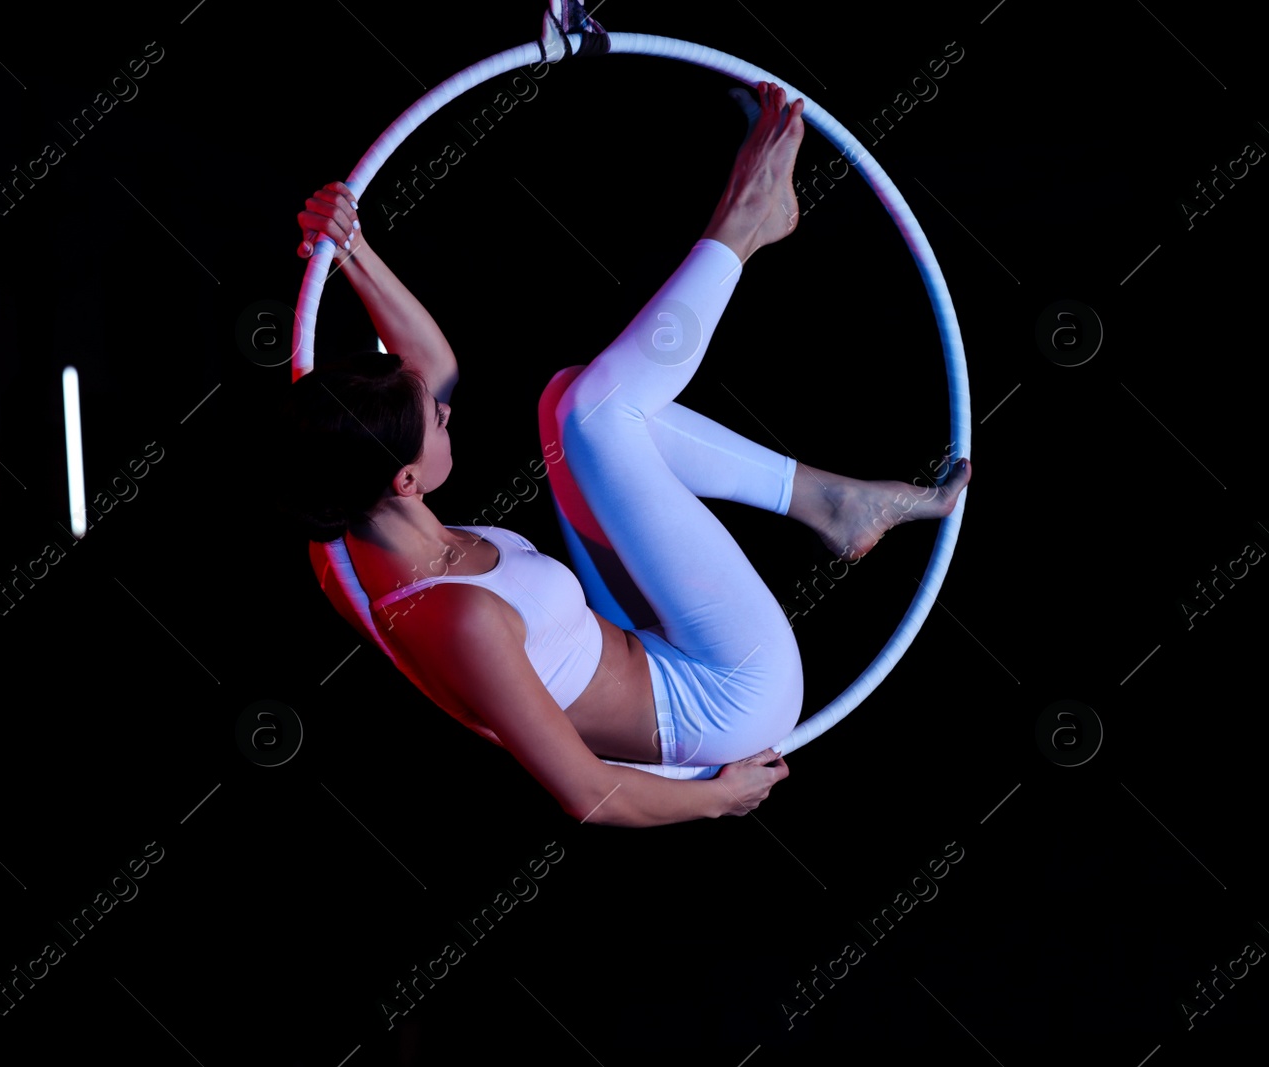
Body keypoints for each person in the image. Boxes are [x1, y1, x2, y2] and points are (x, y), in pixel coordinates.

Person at [282, 83, 970, 828]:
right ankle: (743, 222)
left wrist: (350, 249)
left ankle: (828, 500)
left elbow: (424, 367)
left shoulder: (350, 510)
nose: (449, 407)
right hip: (727, 696)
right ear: (407, 478)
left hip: (643, 639)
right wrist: (720, 796)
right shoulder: (455, 619)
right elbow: (590, 793)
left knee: (566, 401)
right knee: (596, 413)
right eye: (436, 421)